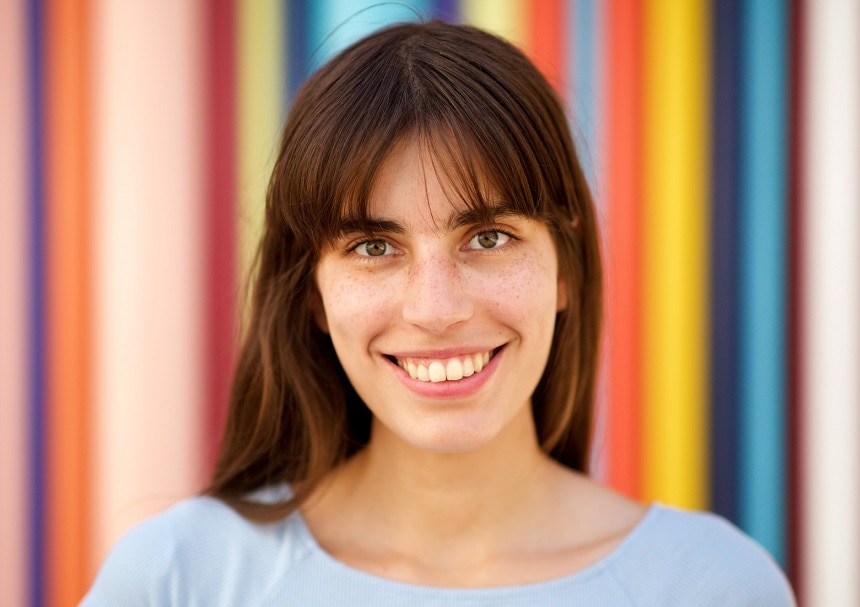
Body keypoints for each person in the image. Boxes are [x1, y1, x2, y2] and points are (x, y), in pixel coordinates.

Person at [81, 20, 794, 606]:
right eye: (372, 246)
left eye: (488, 238)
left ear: (564, 269)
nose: (435, 309)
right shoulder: (180, 576)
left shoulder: (714, 583)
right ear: (313, 295)